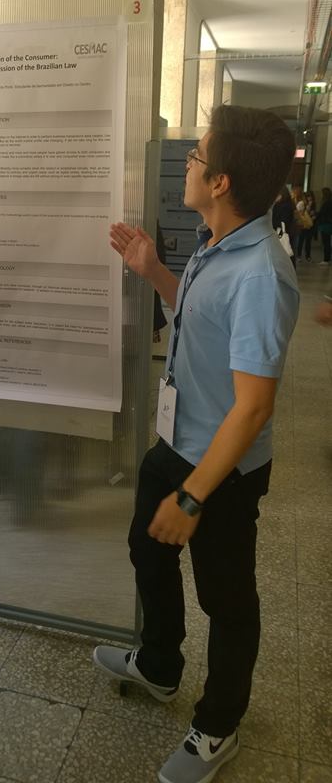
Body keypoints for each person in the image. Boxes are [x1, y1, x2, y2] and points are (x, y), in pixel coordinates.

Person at [93, 105, 299, 783]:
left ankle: (218, 727)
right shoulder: (219, 243)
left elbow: (254, 407)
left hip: (223, 469)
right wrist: (154, 271)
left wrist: (192, 496)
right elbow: (201, 320)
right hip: (178, 439)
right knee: (146, 549)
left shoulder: (261, 274)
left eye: (197, 156)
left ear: (221, 181)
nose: (187, 162)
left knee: (226, 600)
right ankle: (159, 664)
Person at [271, 185, 295, 264]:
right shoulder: (281, 204)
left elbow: (284, 221)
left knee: (287, 253)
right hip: (284, 232)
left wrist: (272, 223)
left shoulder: (285, 206)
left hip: (283, 233)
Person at [316, 186, 332, 265]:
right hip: (329, 224)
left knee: (326, 242)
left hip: (325, 224)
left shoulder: (325, 203)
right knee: (328, 242)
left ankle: (326, 259)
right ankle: (328, 258)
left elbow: (322, 213)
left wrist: (315, 215)